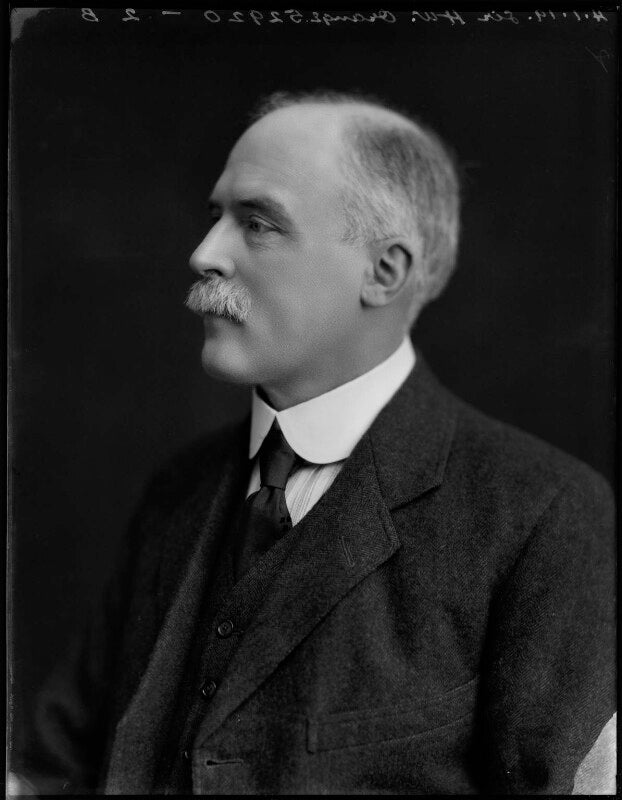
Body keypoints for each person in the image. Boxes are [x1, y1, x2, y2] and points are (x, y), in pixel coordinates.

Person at [14, 91, 615, 795]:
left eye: (258, 224)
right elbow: (59, 767)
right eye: (215, 217)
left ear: (384, 272)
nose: (204, 254)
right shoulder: (178, 490)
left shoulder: (544, 516)